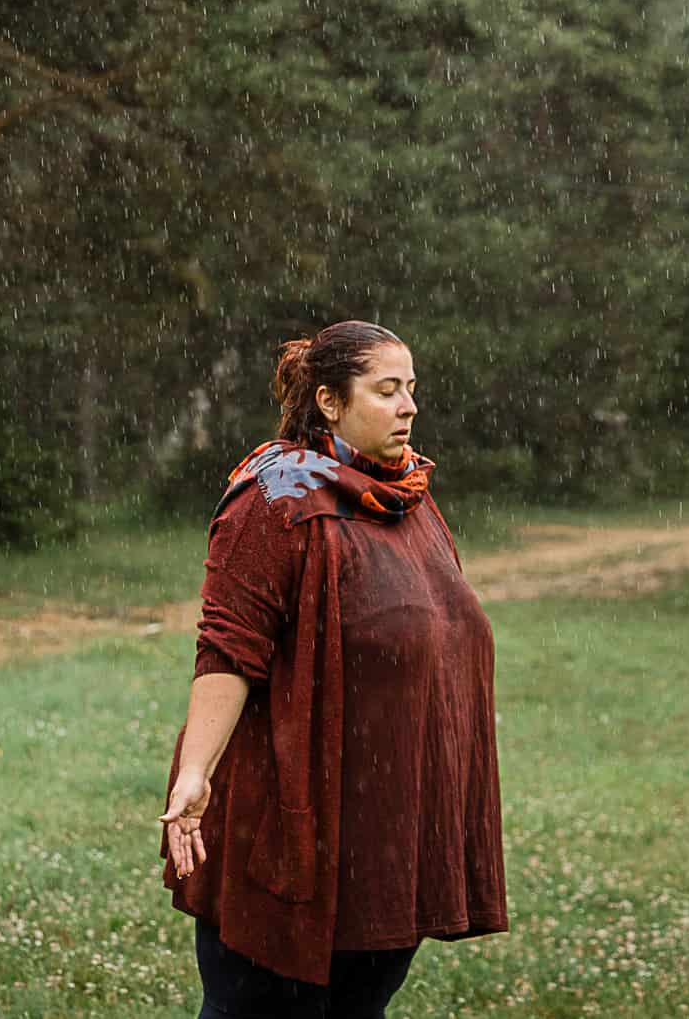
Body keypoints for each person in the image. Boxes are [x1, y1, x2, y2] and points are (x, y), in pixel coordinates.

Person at [158, 320, 508, 1019]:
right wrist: (196, 771)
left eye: (411, 389)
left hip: (384, 838)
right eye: (386, 390)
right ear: (328, 401)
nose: (408, 405)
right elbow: (229, 646)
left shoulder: (403, 496)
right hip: (294, 830)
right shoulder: (277, 497)